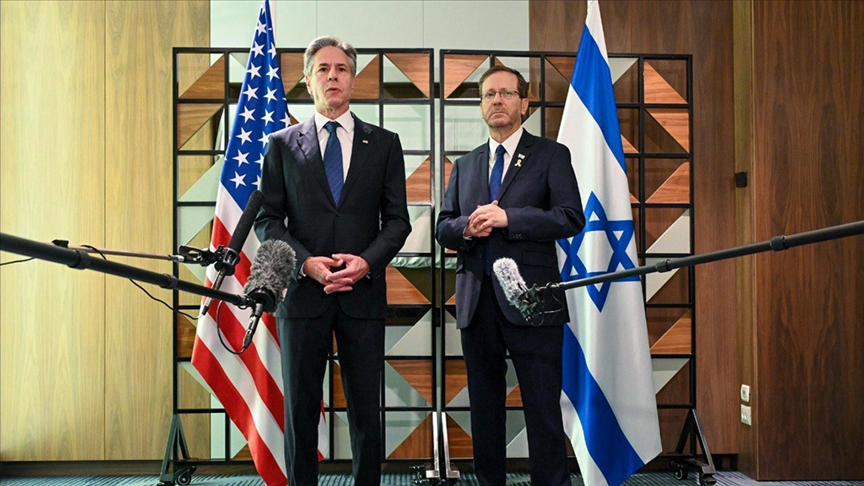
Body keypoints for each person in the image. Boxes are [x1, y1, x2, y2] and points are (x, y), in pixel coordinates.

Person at [255, 35, 411, 486]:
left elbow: (397, 221)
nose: (333, 76)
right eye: (322, 69)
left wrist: (366, 263)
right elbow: (268, 220)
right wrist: (306, 263)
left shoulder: (384, 143)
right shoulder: (282, 145)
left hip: (363, 296)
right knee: (301, 410)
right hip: (304, 297)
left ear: (353, 79)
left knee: (366, 411)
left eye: (341, 68)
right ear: (307, 81)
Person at [435, 66, 585, 486]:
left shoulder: (551, 155)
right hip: (476, 302)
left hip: (533, 301)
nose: (496, 101)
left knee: (542, 409)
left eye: (506, 93)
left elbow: (570, 217)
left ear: (524, 103)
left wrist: (509, 218)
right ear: (481, 105)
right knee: (484, 410)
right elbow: (443, 226)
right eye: (488, 95)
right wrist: (466, 228)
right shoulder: (465, 164)